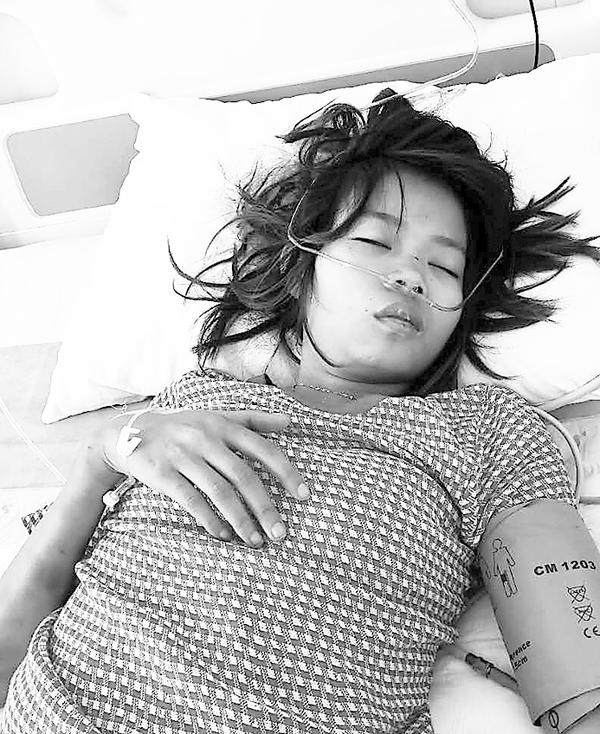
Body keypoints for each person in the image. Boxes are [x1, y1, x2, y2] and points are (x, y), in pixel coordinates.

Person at [1, 88, 599, 734]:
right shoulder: (195, 398)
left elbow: (580, 675)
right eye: (374, 241)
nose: (411, 276)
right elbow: (23, 623)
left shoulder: (488, 433)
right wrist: (105, 453)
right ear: (304, 259)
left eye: (444, 266)